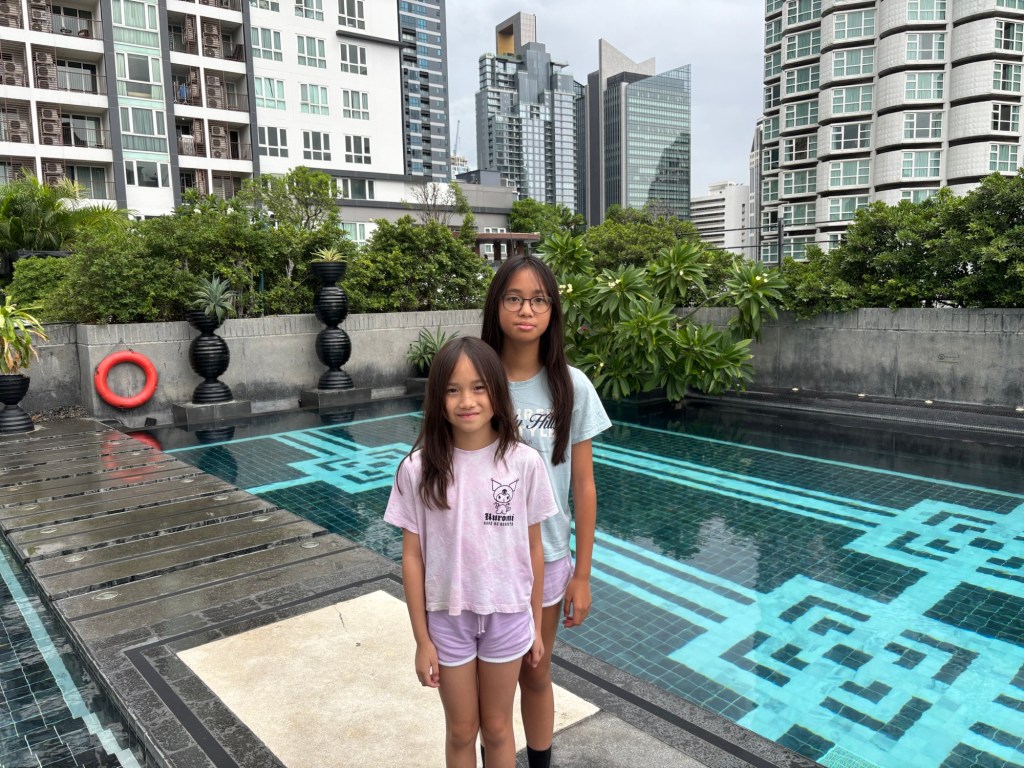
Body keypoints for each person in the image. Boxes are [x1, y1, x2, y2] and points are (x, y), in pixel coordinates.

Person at [385, 336, 559, 768]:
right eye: (453, 389)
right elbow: (412, 557)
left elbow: (533, 549)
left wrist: (535, 625)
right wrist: (421, 639)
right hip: (449, 618)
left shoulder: (524, 463)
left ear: (497, 393)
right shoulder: (418, 469)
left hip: (507, 614)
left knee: (498, 728)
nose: (467, 400)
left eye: (480, 387)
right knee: (462, 730)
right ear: (437, 398)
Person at [481, 255, 611, 768]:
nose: (526, 310)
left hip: (548, 554)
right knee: (489, 687)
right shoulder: (477, 379)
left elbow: (583, 484)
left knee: (535, 669)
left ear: (553, 311)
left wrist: (582, 574)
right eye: (514, 297)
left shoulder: (571, 385)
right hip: (484, 556)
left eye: (539, 299)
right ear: (497, 306)